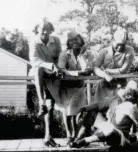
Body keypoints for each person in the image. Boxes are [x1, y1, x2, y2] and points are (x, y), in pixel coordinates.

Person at [72, 29, 135, 142]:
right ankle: (80, 138)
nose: (120, 47)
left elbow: (123, 69)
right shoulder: (104, 51)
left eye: (123, 45)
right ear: (113, 41)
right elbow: (95, 67)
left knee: (115, 113)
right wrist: (105, 76)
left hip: (119, 87)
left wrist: (107, 71)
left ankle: (117, 136)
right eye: (118, 44)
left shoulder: (129, 50)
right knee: (95, 109)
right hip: (104, 86)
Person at [71, 80, 138, 150]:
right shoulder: (115, 99)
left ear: (130, 96)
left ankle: (84, 141)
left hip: (119, 137)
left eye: (127, 89)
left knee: (111, 130)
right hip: (107, 129)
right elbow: (98, 105)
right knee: (92, 113)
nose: (123, 89)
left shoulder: (132, 107)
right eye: (125, 88)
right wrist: (83, 109)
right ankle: (79, 137)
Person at [57, 31, 94, 145]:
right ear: (68, 42)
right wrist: (77, 73)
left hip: (79, 87)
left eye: (76, 39)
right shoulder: (64, 54)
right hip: (65, 88)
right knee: (67, 112)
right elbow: (61, 69)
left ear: (81, 40)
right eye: (71, 40)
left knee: (77, 113)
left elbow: (87, 69)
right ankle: (70, 136)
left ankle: (77, 137)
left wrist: (81, 56)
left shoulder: (88, 54)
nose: (74, 42)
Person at [29, 19, 62, 147]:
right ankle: (40, 102)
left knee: (51, 106)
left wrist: (55, 66)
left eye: (48, 28)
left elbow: (59, 57)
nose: (45, 31)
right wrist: (50, 64)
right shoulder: (34, 41)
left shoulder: (56, 40)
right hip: (39, 74)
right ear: (37, 29)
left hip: (52, 73)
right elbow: (34, 60)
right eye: (42, 28)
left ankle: (48, 137)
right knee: (39, 69)